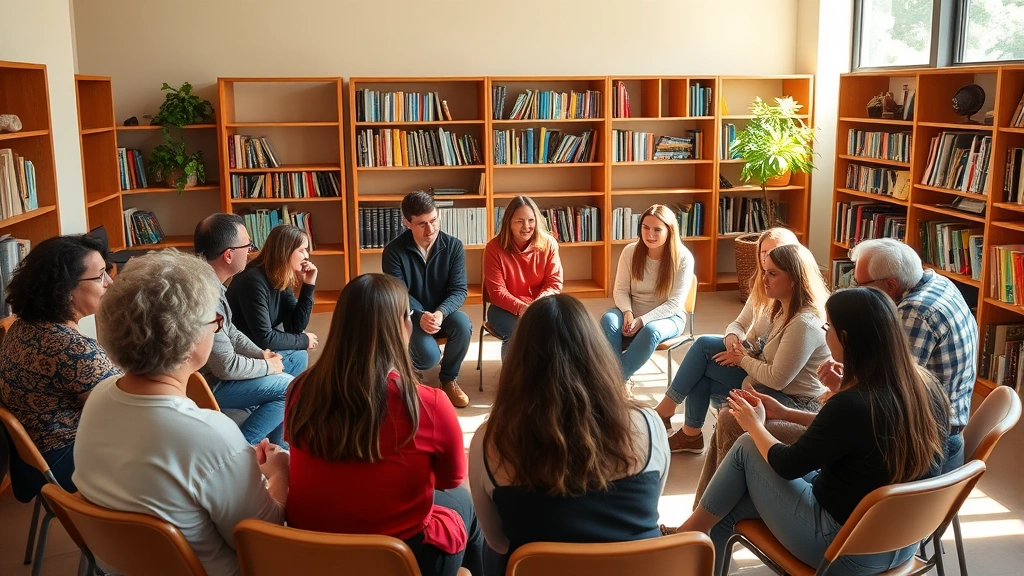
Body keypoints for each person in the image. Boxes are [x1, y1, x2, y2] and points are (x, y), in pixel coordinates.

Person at [674, 287, 951, 575]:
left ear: (845, 338)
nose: (824, 332)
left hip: (843, 547)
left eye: (827, 326)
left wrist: (755, 425)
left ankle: (683, 539)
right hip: (901, 539)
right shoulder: (924, 386)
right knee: (727, 506)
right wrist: (785, 412)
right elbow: (855, 432)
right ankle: (688, 540)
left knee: (746, 446)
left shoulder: (852, 403)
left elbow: (787, 464)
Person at [74, 250, 288, 576]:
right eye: (214, 321)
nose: (217, 328)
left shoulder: (100, 396)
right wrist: (280, 474)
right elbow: (267, 538)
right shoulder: (212, 435)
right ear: (187, 341)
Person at [284, 274, 483, 576]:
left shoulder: (299, 389)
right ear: (403, 326)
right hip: (403, 558)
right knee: (466, 502)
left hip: (314, 554)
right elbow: (449, 479)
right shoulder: (428, 403)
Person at [469, 294, 669, 575]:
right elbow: (651, 502)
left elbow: (498, 541)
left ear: (519, 361)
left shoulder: (489, 441)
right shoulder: (649, 424)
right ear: (597, 353)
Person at [655, 242, 830, 454]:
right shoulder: (781, 307)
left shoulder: (804, 323)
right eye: (765, 271)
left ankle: (673, 420)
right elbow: (760, 345)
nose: (764, 279)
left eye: (772, 274)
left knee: (704, 367)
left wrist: (742, 359)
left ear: (794, 279)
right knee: (703, 354)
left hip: (794, 400)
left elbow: (777, 378)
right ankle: (687, 432)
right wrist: (739, 347)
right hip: (769, 384)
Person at [835, 238, 977, 471]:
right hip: (949, 417)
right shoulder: (936, 281)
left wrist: (845, 380)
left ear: (890, 285)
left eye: (861, 285)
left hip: (929, 442)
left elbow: (890, 390)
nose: (857, 290)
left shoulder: (914, 312)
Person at [0, 235, 122, 502]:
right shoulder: (71, 348)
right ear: (66, 288)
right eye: (100, 276)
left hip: (32, 463)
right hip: (66, 463)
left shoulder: (22, 327)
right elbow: (125, 411)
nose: (109, 283)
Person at [194, 213, 303, 446]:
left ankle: (277, 446)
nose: (251, 251)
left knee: (294, 361)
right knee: (291, 388)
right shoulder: (206, 296)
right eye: (248, 245)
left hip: (218, 373)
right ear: (228, 255)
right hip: (209, 383)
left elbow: (231, 330)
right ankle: (243, 449)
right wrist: (267, 366)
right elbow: (225, 367)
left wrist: (261, 354)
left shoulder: (211, 280)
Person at [383, 191, 473, 408]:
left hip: (443, 313)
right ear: (407, 223)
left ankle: (449, 379)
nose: (430, 230)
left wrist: (440, 313)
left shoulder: (454, 246)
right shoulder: (393, 251)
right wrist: (420, 315)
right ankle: (408, 369)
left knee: (463, 324)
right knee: (428, 359)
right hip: (411, 316)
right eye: (422, 224)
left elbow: (459, 290)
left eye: (433, 220)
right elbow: (399, 293)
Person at [601, 205, 695, 381]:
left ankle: (615, 381)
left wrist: (642, 321)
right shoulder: (630, 251)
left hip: (669, 317)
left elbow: (674, 304)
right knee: (609, 320)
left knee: (650, 331)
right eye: (645, 227)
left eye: (657, 229)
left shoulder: (683, 257)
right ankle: (615, 382)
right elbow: (620, 290)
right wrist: (627, 312)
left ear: (669, 231)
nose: (649, 234)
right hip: (632, 312)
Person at [226, 224, 318, 368]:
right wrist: (304, 340)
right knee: (298, 356)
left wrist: (308, 284)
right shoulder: (253, 281)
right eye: (301, 250)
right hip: (242, 355)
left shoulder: (278, 275)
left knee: (298, 352)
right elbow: (265, 339)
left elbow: (295, 326)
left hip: (259, 347)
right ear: (285, 252)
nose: (307, 255)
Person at [484, 195, 563, 359]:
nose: (526, 226)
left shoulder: (549, 244)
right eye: (519, 221)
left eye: (531, 220)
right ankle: (512, 384)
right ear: (509, 222)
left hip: (540, 306)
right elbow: (497, 292)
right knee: (518, 335)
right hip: (504, 309)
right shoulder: (494, 248)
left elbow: (554, 284)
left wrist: (535, 306)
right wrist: (522, 308)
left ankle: (546, 380)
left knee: (559, 332)